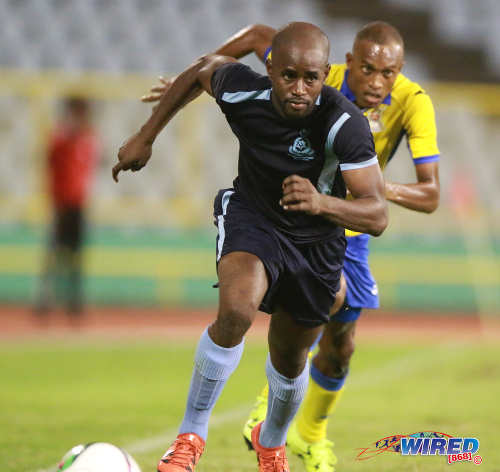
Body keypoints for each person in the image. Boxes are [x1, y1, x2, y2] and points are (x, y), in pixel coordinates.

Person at [142, 20, 440, 472]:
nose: (299, 88)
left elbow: (380, 213)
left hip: (323, 233)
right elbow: (219, 60)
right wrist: (146, 135)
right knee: (237, 311)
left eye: (309, 79)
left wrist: (330, 197)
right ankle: (189, 438)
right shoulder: (254, 86)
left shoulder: (350, 120)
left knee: (306, 351)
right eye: (288, 76)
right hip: (256, 215)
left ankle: (278, 442)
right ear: (273, 69)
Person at [35, 97, 99, 319]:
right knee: (55, 255)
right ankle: (45, 300)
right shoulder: (61, 139)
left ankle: (74, 301)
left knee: (75, 256)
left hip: (78, 204)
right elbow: (51, 164)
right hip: (62, 204)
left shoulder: (87, 140)